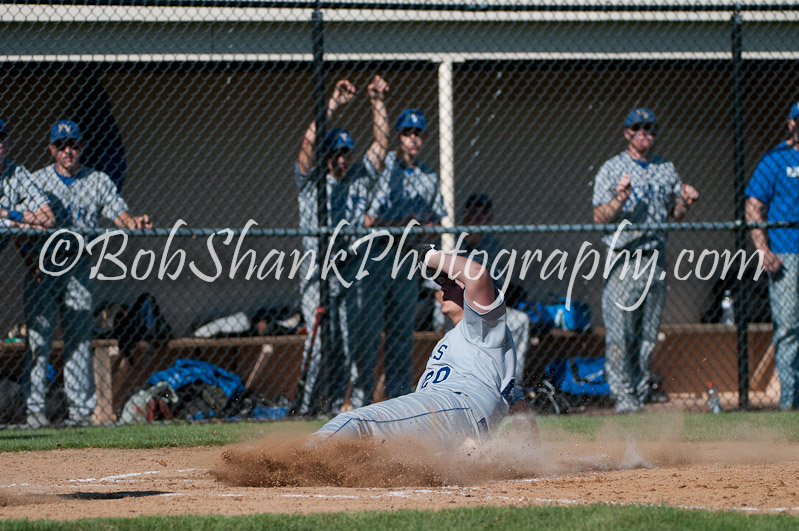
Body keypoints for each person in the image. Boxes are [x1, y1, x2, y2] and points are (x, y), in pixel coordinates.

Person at [309, 249, 534, 449]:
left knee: (355, 422)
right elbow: (514, 398)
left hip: (455, 405)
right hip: (456, 419)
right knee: (380, 453)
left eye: (451, 280)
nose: (442, 286)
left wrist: (428, 254)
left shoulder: (483, 324)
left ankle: (293, 460)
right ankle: (463, 452)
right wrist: (532, 454)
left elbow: (478, 274)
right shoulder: (475, 339)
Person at [23, 120, 152, 428]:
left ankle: (80, 413)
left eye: (74, 144)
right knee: (38, 340)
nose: (69, 151)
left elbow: (118, 213)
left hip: (79, 265)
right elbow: (21, 228)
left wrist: (133, 221)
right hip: (43, 263)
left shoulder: (97, 180)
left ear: (83, 147)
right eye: (62, 145)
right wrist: (30, 261)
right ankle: (34, 412)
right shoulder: (36, 181)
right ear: (52, 149)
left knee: (79, 341)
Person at [592, 108, 699, 414]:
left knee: (648, 334)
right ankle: (623, 396)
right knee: (620, 331)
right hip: (624, 258)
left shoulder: (665, 168)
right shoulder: (612, 169)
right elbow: (599, 216)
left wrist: (685, 202)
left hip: (656, 257)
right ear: (627, 133)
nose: (645, 133)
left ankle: (639, 394)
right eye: (638, 128)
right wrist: (620, 198)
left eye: (650, 128)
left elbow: (674, 214)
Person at [295, 76, 390, 415]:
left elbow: (380, 145)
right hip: (316, 270)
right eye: (335, 153)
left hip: (349, 269)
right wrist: (333, 104)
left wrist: (377, 101)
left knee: (348, 343)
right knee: (320, 343)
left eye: (346, 154)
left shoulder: (359, 180)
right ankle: (304, 409)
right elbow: (308, 144)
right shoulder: (312, 183)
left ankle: (336, 407)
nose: (341, 160)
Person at [358, 109, 448, 403]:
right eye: (408, 133)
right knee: (369, 335)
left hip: (409, 259)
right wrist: (403, 223)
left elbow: (438, 222)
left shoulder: (428, 177)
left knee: (401, 337)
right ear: (399, 136)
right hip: (379, 257)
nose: (413, 139)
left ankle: (397, 401)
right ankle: (360, 399)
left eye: (418, 133)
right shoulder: (384, 172)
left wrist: (419, 226)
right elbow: (368, 221)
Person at [745, 101, 799, 412]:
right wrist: (763, 249)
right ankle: (790, 402)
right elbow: (754, 205)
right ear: (790, 123)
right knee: (788, 326)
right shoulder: (775, 159)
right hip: (787, 253)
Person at [458, 193, 530, 386]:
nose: (479, 218)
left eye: (484, 214)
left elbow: (498, 282)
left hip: (484, 305)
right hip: (457, 303)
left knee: (521, 320)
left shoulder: (492, 244)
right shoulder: (453, 238)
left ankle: (510, 386)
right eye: (474, 213)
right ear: (465, 215)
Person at [0, 119, 55, 238]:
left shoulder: (17, 172)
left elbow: (48, 219)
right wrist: (20, 225)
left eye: (0, 138)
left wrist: (6, 213)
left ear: (8, 143)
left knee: (22, 206)